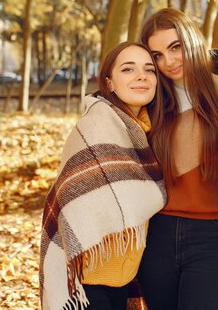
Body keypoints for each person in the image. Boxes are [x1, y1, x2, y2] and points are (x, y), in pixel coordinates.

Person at [39, 42, 167, 310]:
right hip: (89, 280)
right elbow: (71, 199)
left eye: (149, 69)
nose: (141, 76)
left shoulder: (145, 130)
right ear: (109, 83)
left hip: (121, 278)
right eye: (128, 69)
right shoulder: (97, 124)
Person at [137, 8, 218, 310]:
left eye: (175, 47)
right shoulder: (146, 103)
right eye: (157, 55)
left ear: (191, 39)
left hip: (215, 235)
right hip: (157, 233)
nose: (169, 62)